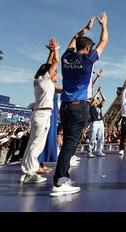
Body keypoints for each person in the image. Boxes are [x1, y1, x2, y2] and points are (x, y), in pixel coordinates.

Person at [50, 13, 108, 197]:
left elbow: (74, 38)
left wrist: (85, 28)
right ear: (88, 48)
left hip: (65, 106)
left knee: (69, 142)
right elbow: (104, 40)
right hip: (79, 106)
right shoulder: (88, 60)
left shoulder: (67, 57)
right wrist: (104, 25)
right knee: (69, 144)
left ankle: (64, 177)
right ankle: (58, 182)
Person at [20, 38, 59, 184]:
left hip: (37, 113)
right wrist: (56, 49)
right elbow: (54, 64)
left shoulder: (38, 80)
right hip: (43, 114)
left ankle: (26, 170)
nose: (56, 74)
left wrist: (50, 53)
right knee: (37, 145)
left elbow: (48, 65)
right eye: (54, 73)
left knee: (32, 144)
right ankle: (30, 172)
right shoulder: (46, 80)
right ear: (48, 73)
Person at [87, 86, 107, 158]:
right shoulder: (91, 107)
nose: (98, 101)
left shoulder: (99, 106)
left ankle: (99, 150)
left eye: (98, 100)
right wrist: (98, 92)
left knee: (101, 137)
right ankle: (90, 151)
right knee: (92, 137)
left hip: (100, 122)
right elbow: (93, 99)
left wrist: (101, 92)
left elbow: (104, 99)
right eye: (97, 100)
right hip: (94, 122)